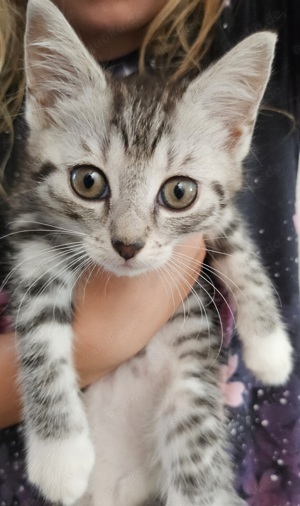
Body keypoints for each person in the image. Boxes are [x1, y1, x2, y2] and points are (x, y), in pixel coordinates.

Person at [0, 0, 299, 505]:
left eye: (177, 192)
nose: (129, 238)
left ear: (235, 132)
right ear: (45, 105)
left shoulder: (258, 22)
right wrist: (96, 344)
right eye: (90, 182)